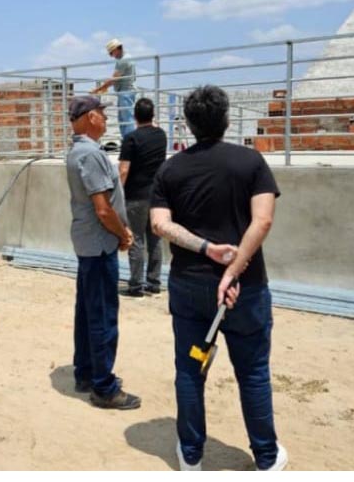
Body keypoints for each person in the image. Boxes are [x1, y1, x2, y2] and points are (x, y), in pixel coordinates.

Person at [150, 85, 286, 471]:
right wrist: (233, 268)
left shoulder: (170, 169)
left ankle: (191, 456)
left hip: (190, 288)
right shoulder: (251, 162)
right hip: (244, 289)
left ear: (188, 123)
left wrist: (206, 248)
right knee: (253, 373)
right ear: (226, 119)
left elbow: (160, 224)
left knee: (190, 371)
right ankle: (266, 458)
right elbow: (263, 221)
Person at [65, 95, 141, 410]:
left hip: (90, 243)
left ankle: (86, 373)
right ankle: (104, 387)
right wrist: (123, 234)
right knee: (103, 316)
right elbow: (103, 209)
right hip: (99, 245)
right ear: (89, 117)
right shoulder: (91, 154)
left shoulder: (79, 151)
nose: (106, 119)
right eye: (101, 113)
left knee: (87, 312)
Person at [118, 97, 167, 298]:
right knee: (155, 239)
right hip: (157, 195)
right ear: (152, 115)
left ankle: (136, 285)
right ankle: (154, 283)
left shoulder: (131, 138)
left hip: (135, 195)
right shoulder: (161, 136)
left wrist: (118, 193)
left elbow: (123, 170)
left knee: (136, 239)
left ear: (135, 116)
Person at [91, 38, 137, 138]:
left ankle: (129, 142)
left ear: (116, 49)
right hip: (126, 91)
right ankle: (127, 141)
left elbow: (113, 79)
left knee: (126, 119)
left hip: (125, 91)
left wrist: (99, 89)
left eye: (111, 53)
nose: (111, 55)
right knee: (124, 118)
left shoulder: (123, 60)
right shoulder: (126, 58)